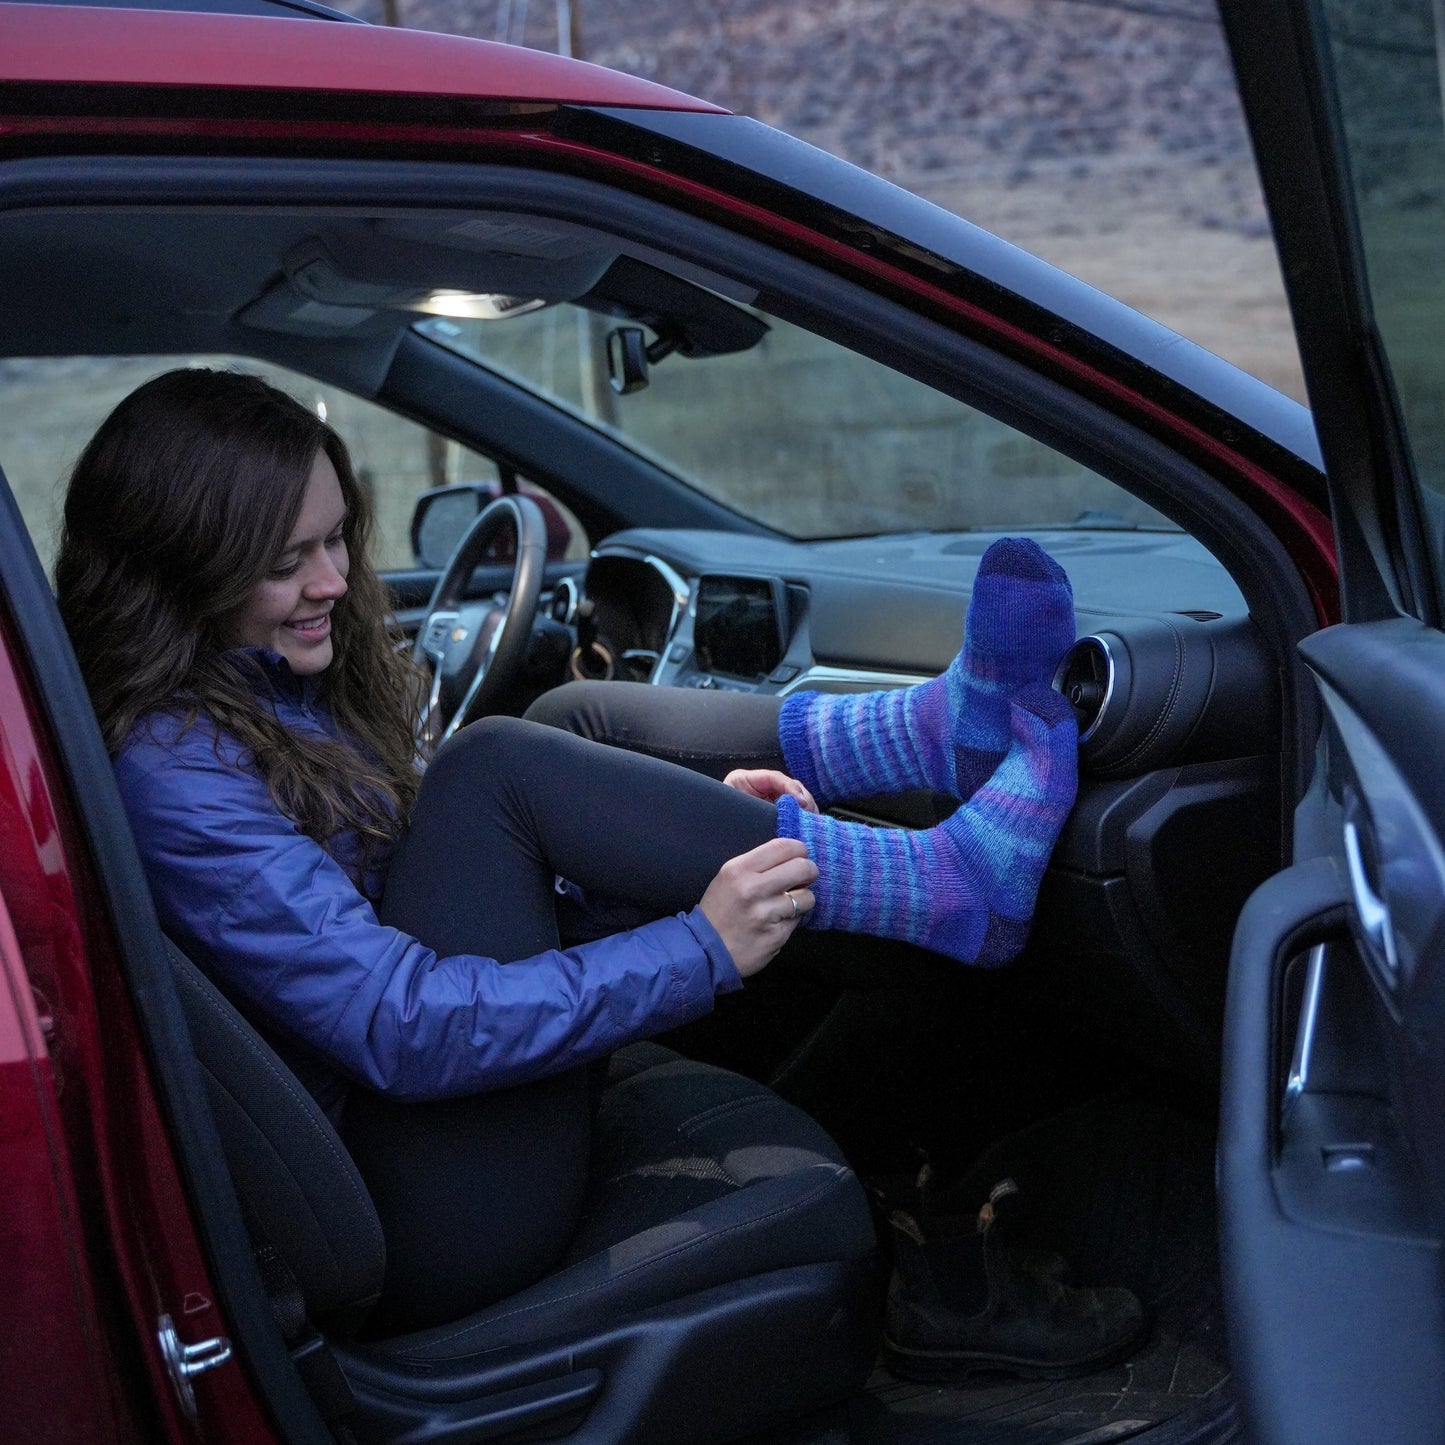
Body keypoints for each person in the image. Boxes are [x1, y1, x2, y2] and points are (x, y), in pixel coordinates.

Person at [56, 366, 1103, 1354]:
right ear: (180, 568)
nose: (332, 579)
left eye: (337, 538)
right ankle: (948, 887)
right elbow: (399, 1021)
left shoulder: (258, 692)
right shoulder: (173, 769)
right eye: (287, 562)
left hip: (412, 1136)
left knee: (568, 719)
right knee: (496, 764)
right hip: (417, 1222)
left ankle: (928, 734)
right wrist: (697, 947)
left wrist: (662, 850)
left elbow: (407, 907)